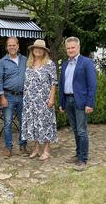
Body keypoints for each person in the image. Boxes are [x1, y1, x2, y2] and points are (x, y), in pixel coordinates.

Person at [59, 37, 97, 171]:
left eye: (72, 47)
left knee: (82, 131)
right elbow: (62, 84)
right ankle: (77, 154)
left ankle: (83, 159)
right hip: (68, 100)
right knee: (75, 130)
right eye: (68, 48)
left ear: (78, 47)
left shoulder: (86, 62)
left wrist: (90, 103)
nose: (70, 50)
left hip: (80, 101)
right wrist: (61, 102)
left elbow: (92, 85)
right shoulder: (64, 64)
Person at [21, 39, 57, 161]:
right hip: (30, 100)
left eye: (40, 49)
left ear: (44, 51)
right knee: (34, 124)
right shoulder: (29, 64)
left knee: (45, 123)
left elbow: (53, 83)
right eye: (36, 48)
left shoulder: (49, 64)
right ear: (32, 50)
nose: (38, 50)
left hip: (44, 100)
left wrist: (52, 98)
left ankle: (46, 150)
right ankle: (36, 149)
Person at [0, 37, 28, 158]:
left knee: (23, 122)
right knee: (8, 123)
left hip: (22, 96)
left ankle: (23, 145)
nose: (12, 47)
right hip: (8, 96)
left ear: (18, 46)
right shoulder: (2, 62)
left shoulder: (24, 60)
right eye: (9, 45)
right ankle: (8, 147)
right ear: (6, 47)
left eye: (14, 45)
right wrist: (1, 97)